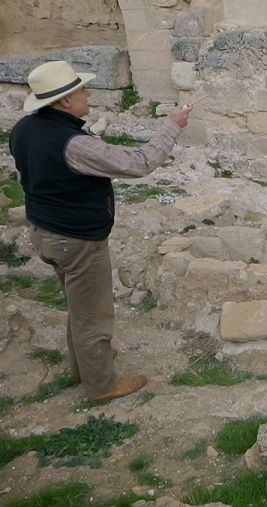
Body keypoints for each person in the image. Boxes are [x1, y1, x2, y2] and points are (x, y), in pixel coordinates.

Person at [9, 60, 192, 401]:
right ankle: (101, 386)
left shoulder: (23, 129)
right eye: (82, 90)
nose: (89, 93)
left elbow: (28, 176)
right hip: (76, 239)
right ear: (65, 101)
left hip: (44, 230)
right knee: (93, 316)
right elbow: (138, 163)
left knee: (79, 307)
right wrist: (171, 126)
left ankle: (84, 367)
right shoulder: (74, 144)